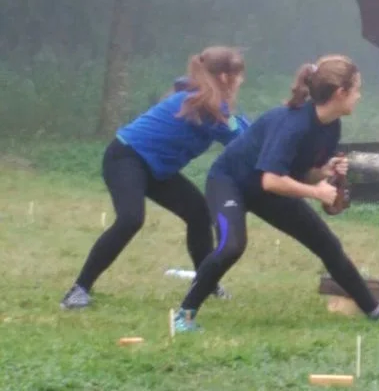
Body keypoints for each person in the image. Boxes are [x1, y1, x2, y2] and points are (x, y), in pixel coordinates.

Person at [171, 55, 379, 332]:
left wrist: (324, 171)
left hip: (267, 188)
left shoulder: (331, 125)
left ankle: (375, 311)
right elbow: (271, 180)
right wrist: (316, 192)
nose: (359, 96)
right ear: (340, 93)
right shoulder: (293, 124)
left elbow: (300, 173)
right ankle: (184, 315)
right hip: (229, 182)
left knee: (327, 244)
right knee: (231, 246)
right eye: (356, 89)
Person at [61, 47, 248, 310]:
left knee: (198, 213)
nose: (242, 81)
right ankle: (78, 290)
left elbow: (242, 133)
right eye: (239, 75)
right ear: (226, 77)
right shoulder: (205, 105)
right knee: (130, 219)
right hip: (126, 158)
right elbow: (243, 140)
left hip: (157, 169)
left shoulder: (208, 102)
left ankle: (206, 284)